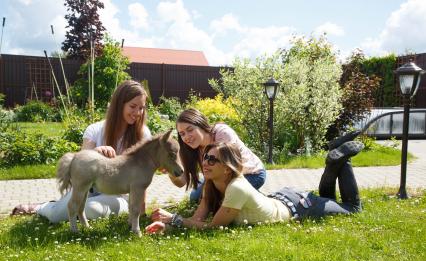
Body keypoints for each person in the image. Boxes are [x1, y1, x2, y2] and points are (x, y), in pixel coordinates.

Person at [145, 135, 364, 233]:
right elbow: (197, 220)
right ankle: (337, 159)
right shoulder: (212, 184)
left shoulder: (236, 187)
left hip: (299, 206)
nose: (206, 163)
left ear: (228, 166)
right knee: (331, 202)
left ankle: (340, 161)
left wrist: (174, 218)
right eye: (206, 158)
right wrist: (170, 226)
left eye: (213, 159)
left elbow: (214, 227)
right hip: (286, 199)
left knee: (352, 208)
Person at [11, 80, 152, 223]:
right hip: (88, 189)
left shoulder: (143, 135)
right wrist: (96, 152)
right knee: (56, 216)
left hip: (118, 196)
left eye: (141, 108)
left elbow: (142, 179)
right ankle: (42, 207)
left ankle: (65, 207)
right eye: (133, 106)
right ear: (118, 105)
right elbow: (80, 165)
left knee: (92, 209)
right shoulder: (95, 130)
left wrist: (142, 213)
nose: (137, 113)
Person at [167, 108, 266, 203]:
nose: (187, 137)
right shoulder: (189, 148)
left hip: (251, 174)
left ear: (201, 125)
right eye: (182, 134)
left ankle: (256, 197)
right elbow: (182, 182)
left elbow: (230, 171)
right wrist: (170, 171)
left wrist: (211, 195)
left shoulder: (223, 134)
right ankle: (247, 195)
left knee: (221, 201)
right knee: (195, 197)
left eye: (190, 130)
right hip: (218, 177)